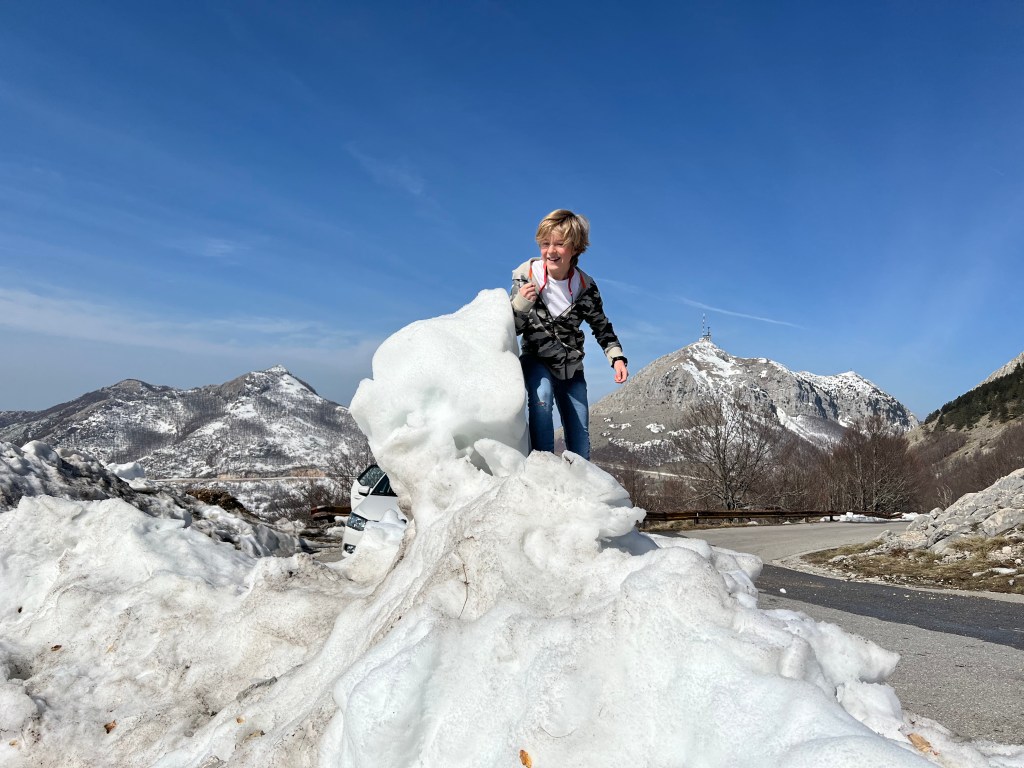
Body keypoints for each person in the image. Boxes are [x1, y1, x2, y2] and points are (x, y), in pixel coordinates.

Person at [510, 209, 628, 460]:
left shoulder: (586, 287)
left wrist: (616, 357)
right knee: (541, 399)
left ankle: (579, 477)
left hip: (571, 366)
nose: (551, 251)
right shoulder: (525, 277)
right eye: (545, 244)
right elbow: (512, 328)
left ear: (575, 248)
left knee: (579, 436)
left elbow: (601, 326)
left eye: (559, 244)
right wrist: (520, 304)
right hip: (536, 358)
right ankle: (543, 467)